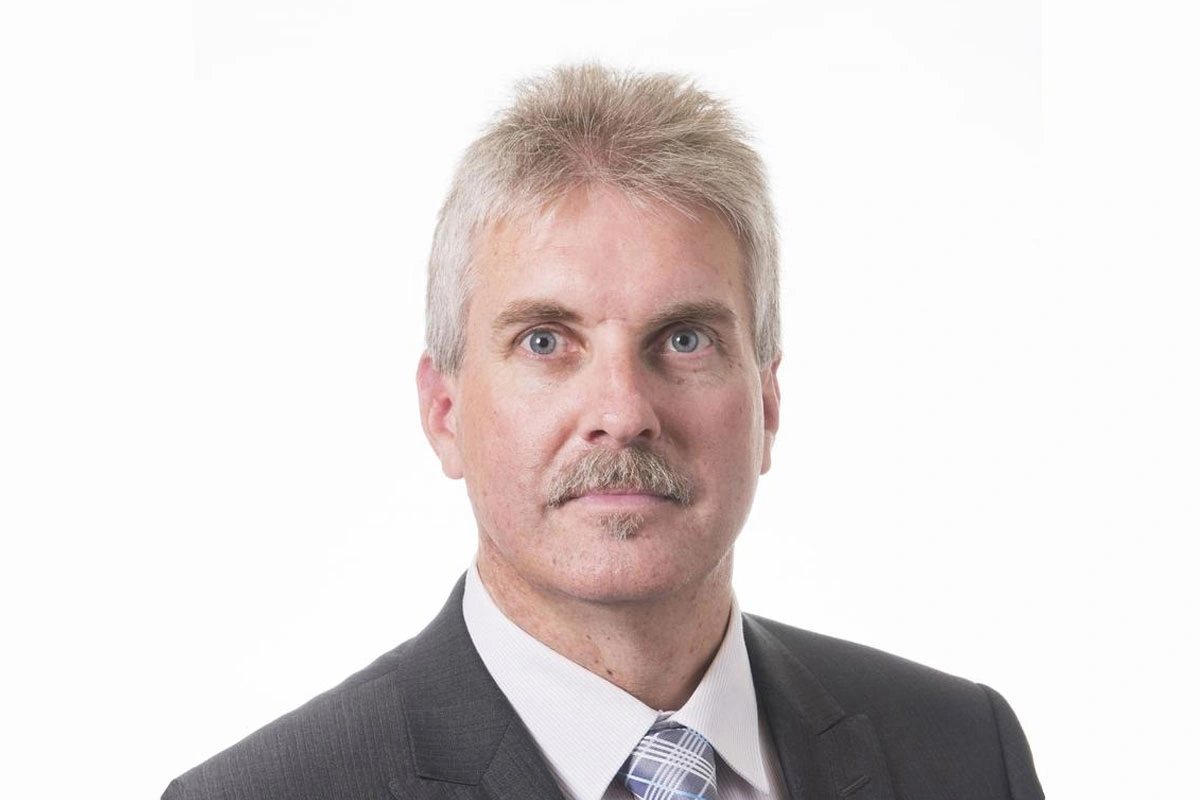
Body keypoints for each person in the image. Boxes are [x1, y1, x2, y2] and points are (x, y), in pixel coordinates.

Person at [162, 64, 1043, 800]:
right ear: (444, 413)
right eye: (546, 342)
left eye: (685, 340)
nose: (623, 413)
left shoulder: (965, 754)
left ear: (768, 404)